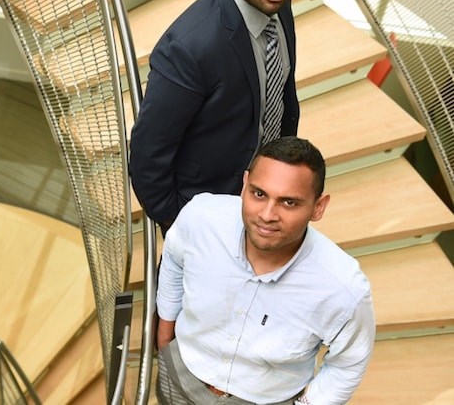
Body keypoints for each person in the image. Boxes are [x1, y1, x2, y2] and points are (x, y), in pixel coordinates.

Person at [155, 137, 375, 405]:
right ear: (245, 183)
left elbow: (348, 363)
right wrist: (164, 334)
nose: (267, 215)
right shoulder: (201, 218)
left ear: (318, 207)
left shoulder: (343, 288)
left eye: (289, 202)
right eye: (259, 194)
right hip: (181, 373)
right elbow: (174, 261)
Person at [129, 0, 304, 232]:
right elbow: (147, 154)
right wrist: (181, 222)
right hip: (207, 204)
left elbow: (280, 90)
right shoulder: (190, 47)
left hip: (262, 187)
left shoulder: (277, 2)